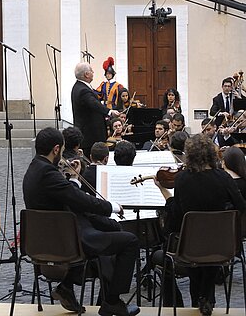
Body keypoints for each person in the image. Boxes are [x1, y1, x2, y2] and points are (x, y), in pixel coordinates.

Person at [23, 127, 139, 316]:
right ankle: (111, 301)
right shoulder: (48, 174)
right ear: (56, 149)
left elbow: (66, 193)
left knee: (109, 232)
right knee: (130, 241)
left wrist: (75, 179)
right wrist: (111, 207)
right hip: (64, 240)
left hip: (47, 237)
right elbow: (81, 200)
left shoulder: (35, 168)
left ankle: (67, 287)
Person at [154, 134, 246, 314]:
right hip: (222, 245)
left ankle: (198, 299)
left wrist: (164, 191)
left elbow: (177, 216)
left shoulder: (182, 179)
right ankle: (206, 298)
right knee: (210, 250)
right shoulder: (224, 177)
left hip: (191, 246)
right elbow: (241, 207)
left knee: (178, 251)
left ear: (190, 155)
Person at [71, 62, 119, 158]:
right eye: (91, 71)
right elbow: (94, 103)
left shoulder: (80, 86)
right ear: (86, 74)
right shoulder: (83, 90)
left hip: (90, 135)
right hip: (90, 136)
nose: (93, 72)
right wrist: (109, 111)